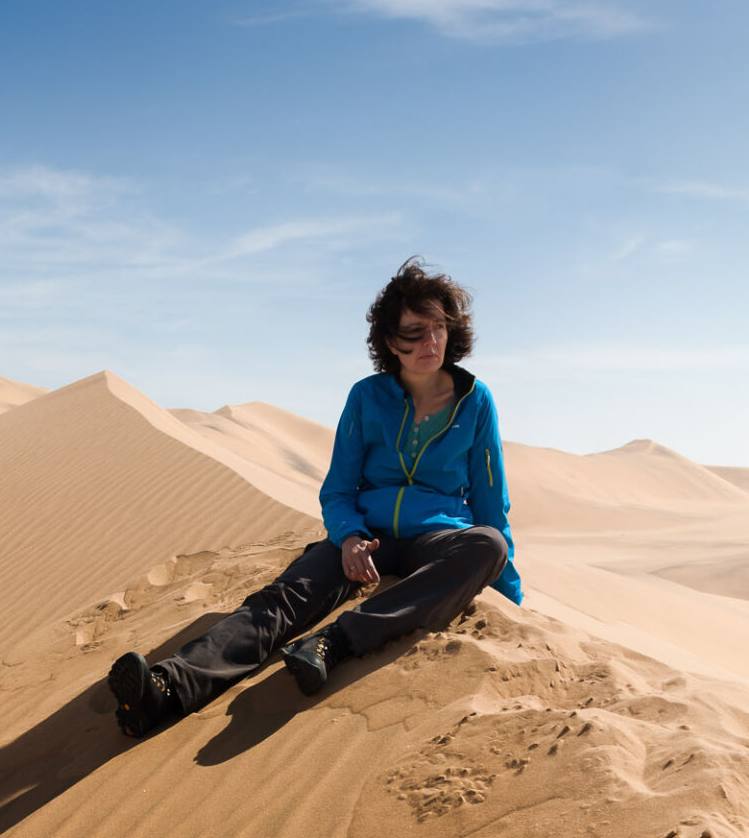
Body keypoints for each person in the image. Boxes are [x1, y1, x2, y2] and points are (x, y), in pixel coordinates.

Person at [108, 257, 523, 738]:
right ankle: (165, 688)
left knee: (488, 544)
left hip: (437, 539)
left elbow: (491, 502)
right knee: (283, 599)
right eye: (414, 331)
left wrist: (510, 595)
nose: (430, 342)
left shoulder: (476, 401)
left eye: (438, 328)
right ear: (391, 342)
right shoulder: (366, 397)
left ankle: (335, 642)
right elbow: (339, 489)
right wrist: (348, 538)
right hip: (366, 537)